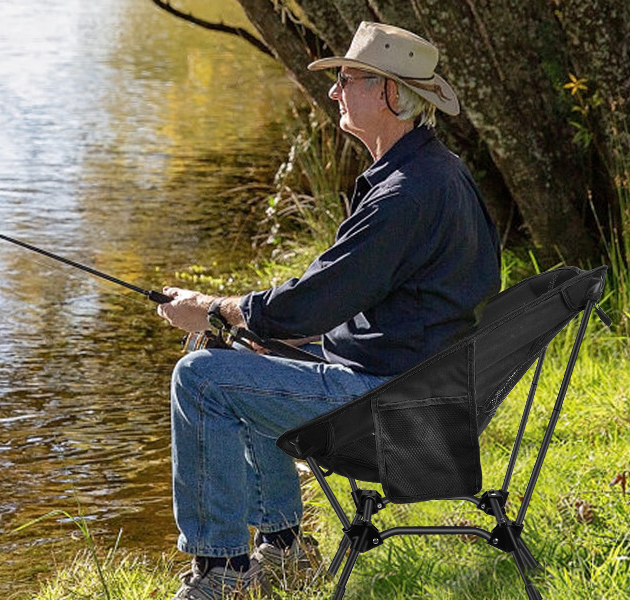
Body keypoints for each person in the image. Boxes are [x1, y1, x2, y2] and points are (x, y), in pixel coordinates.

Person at [155, 22, 500, 599]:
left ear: (391, 93)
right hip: (416, 383)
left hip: (392, 409)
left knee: (200, 378)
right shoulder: (436, 172)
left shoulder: (405, 194)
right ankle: (285, 548)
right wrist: (257, 327)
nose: (335, 91)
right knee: (248, 348)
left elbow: (315, 300)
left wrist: (213, 308)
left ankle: (222, 573)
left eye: (348, 78)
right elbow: (345, 298)